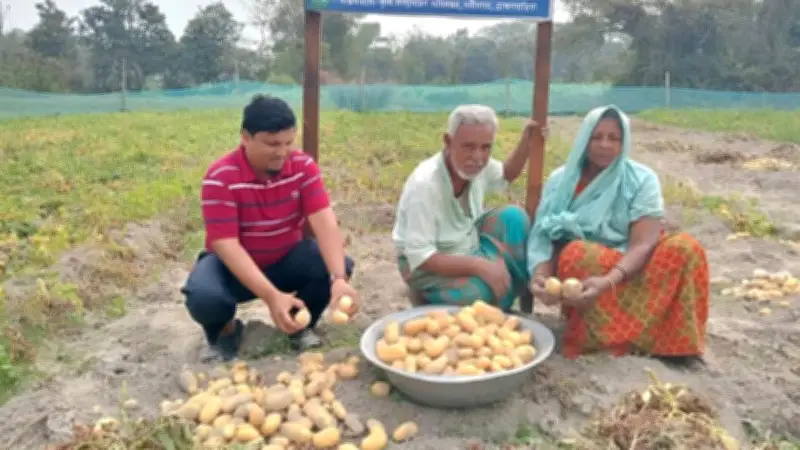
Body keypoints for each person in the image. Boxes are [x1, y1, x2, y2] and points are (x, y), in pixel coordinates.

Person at [181, 95, 359, 363]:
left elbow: (324, 222)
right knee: (205, 296)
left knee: (334, 263)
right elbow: (225, 244)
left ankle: (299, 325)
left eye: (288, 142)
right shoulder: (221, 177)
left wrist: (339, 279)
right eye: (272, 144)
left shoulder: (303, 168)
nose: (282, 152)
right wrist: (271, 296)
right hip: (234, 270)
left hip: (284, 261)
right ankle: (226, 332)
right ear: (245, 137)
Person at [527, 104, 709, 364]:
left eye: (614, 138)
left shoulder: (642, 179)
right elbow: (543, 234)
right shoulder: (562, 180)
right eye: (597, 137)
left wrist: (609, 280)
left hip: (630, 263)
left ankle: (670, 344)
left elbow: (644, 244)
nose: (605, 145)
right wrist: (541, 278)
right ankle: (600, 339)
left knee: (686, 248)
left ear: (624, 143)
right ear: (584, 139)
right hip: (586, 274)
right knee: (578, 253)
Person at [392, 104, 547, 311]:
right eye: (469, 147)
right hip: (425, 264)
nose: (478, 157)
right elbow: (421, 257)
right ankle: (426, 296)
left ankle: (501, 285)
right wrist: (480, 266)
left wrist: (526, 143)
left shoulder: (476, 165)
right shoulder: (425, 185)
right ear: (448, 142)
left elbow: (506, 174)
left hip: (468, 242)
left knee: (515, 217)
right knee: (480, 296)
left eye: (486, 147)